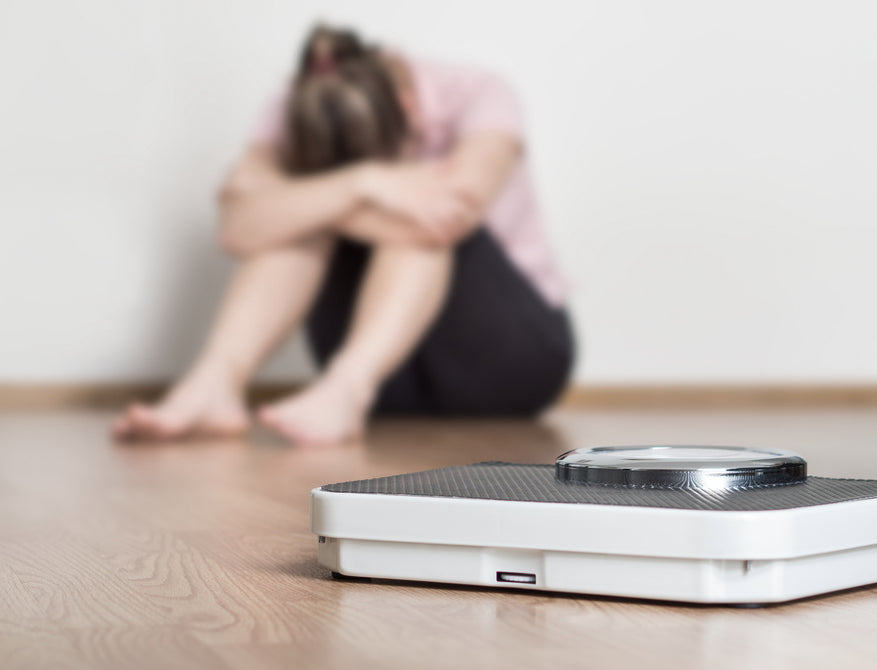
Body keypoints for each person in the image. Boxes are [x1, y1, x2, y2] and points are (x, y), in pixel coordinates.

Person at [112, 24, 573, 447]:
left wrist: (319, 198)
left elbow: (448, 213)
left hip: (510, 362)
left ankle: (347, 388)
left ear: (408, 108)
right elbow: (235, 228)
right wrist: (362, 184)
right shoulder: (301, 102)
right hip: (392, 385)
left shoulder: (479, 91)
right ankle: (216, 383)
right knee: (300, 218)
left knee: (412, 220)